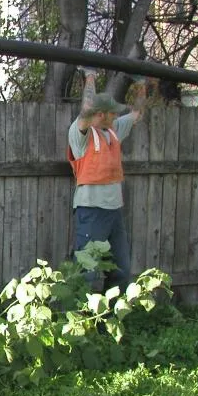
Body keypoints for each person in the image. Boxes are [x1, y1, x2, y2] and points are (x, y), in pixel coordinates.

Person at [67, 66, 149, 291]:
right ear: (101, 114)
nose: (117, 115)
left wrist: (141, 85)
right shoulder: (81, 133)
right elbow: (86, 109)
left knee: (121, 271)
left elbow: (137, 115)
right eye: (113, 112)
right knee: (85, 273)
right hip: (91, 211)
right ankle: (79, 324)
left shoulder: (113, 131)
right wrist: (90, 76)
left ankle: (109, 323)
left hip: (114, 212)